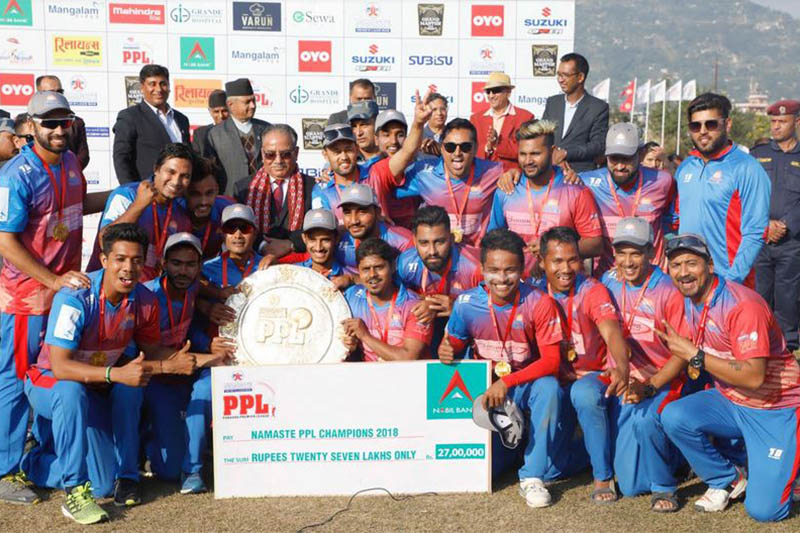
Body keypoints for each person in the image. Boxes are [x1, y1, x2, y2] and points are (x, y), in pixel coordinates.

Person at [22, 223, 199, 523]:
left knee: (102, 482)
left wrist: (205, 357)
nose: (128, 268)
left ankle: (126, 476)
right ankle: (69, 486)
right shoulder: (76, 296)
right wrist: (119, 375)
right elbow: (62, 366)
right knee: (74, 389)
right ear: (104, 260)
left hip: (96, 386)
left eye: (136, 260)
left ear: (145, 263)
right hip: (51, 382)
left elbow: (151, 351)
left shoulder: (144, 299)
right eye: (120, 259)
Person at [0, 91, 103, 506]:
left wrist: (129, 193)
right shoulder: (15, 175)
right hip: (25, 300)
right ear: (31, 127)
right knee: (14, 382)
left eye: (65, 122)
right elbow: (5, 242)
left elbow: (81, 205)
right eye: (50, 123)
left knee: (50, 378)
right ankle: (5, 470)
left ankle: (40, 463)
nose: (59, 130)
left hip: (60, 296)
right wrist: (52, 279)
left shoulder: (72, 163)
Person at [658, 233, 800, 521]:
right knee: (673, 415)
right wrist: (651, 384)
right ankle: (728, 478)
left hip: (775, 409)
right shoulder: (691, 297)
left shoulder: (742, 305)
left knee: (765, 511)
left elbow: (754, 377)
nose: (683, 272)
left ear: (710, 266)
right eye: (676, 265)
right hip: (731, 400)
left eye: (691, 263)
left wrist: (694, 355)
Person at [440, 228, 579, 508]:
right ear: (481, 269)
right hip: (488, 390)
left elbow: (552, 362)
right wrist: (447, 350)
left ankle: (532, 477)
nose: (502, 279)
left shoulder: (539, 303)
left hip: (524, 385)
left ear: (522, 269)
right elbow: (453, 344)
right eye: (494, 270)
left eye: (510, 270)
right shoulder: (466, 304)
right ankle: (510, 457)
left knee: (549, 387)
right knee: (491, 471)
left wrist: (507, 382)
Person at [533, 226, 629, 503]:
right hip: (556, 380)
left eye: (573, 259)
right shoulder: (534, 292)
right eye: (557, 261)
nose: (566, 268)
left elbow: (612, 332)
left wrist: (621, 366)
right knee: (551, 471)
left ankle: (603, 475)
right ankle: (594, 451)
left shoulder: (593, 290)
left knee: (583, 394)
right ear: (542, 262)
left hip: (591, 377)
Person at [600, 217, 689, 511]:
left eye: (636, 253)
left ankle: (665, 486)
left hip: (662, 379)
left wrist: (650, 386)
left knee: (644, 419)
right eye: (621, 252)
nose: (628, 261)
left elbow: (681, 354)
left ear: (652, 252)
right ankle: (676, 456)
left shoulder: (668, 290)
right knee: (630, 485)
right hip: (628, 378)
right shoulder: (609, 281)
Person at [141, 232, 235, 494]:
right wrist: (209, 356)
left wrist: (207, 342)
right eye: (176, 263)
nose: (183, 270)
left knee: (205, 390)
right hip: (157, 379)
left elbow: (187, 328)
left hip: (186, 377)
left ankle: (192, 468)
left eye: (190, 264)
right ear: (163, 264)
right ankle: (148, 441)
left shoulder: (193, 290)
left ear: (198, 268)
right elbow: (147, 351)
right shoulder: (147, 297)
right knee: (168, 471)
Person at [675, 93, 770, 285]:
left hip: (728, 282)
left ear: (727, 125)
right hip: (689, 282)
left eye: (710, 124)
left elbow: (756, 232)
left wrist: (732, 281)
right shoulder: (686, 166)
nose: (702, 131)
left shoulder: (747, 168)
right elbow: (676, 220)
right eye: (695, 126)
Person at [488, 119, 603, 276]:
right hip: (518, 289)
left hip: (561, 288)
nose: (528, 161)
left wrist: (552, 250)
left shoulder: (574, 189)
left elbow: (595, 244)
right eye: (523, 154)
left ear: (552, 151)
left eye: (535, 154)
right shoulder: (507, 189)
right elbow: (492, 240)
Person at [384, 118, 504, 248]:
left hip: (477, 254)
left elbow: (521, 177)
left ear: (475, 148)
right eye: (450, 147)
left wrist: (513, 173)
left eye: (465, 147)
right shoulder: (423, 173)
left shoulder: (493, 171)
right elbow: (386, 183)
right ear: (441, 148)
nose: (457, 153)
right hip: (439, 254)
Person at [580, 123, 678, 274]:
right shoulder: (586, 183)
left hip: (653, 279)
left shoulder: (663, 181)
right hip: (609, 279)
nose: (619, 166)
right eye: (613, 159)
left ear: (640, 154)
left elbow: (671, 221)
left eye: (626, 159)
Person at [95, 143, 193, 281]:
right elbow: (104, 240)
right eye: (170, 172)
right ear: (156, 169)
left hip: (150, 293)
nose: (176, 181)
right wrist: (138, 206)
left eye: (185, 176)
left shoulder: (181, 213)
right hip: (113, 288)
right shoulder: (127, 194)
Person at [396, 206, 482, 356]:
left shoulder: (474, 267)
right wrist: (423, 302)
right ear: (414, 241)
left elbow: (493, 314)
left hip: (467, 332)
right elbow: (396, 302)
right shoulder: (405, 263)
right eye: (424, 243)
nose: (432, 251)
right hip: (428, 326)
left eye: (439, 242)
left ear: (452, 238)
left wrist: (458, 308)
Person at [752, 99, 800, 352]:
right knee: (759, 296)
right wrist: (765, 224)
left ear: (797, 122)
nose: (776, 127)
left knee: (788, 298)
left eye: (782, 121)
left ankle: (787, 349)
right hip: (760, 240)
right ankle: (759, 347)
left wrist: (786, 225)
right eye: (773, 122)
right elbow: (747, 196)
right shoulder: (758, 156)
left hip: (791, 242)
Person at [342, 238, 433, 361]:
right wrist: (348, 346)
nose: (372, 274)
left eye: (379, 267)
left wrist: (365, 336)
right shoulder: (351, 297)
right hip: (365, 378)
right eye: (366, 269)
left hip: (407, 378)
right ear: (358, 270)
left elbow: (408, 358)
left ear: (392, 266)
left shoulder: (414, 306)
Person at [191, 204, 263, 353]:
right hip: (224, 348)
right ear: (222, 233)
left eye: (245, 228)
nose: (237, 235)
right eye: (230, 229)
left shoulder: (268, 267)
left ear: (255, 233)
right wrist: (204, 306)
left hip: (260, 345)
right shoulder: (205, 269)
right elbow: (186, 301)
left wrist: (273, 257)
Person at [244, 124, 316, 260]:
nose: (278, 161)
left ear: (296, 153)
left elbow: (318, 230)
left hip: (299, 264)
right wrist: (263, 245)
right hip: (255, 263)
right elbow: (238, 228)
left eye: (285, 154)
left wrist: (291, 244)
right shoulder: (244, 188)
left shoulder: (312, 187)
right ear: (262, 153)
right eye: (270, 154)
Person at [112, 65, 190, 184]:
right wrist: (130, 190)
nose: (158, 89)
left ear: (169, 86)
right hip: (149, 192)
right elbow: (121, 158)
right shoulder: (130, 116)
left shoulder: (181, 119)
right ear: (142, 87)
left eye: (163, 83)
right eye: (152, 84)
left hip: (180, 191)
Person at [541, 53, 609, 172]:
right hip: (549, 173)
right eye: (559, 75)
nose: (560, 80)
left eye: (566, 75)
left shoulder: (598, 108)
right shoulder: (553, 103)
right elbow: (542, 135)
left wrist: (566, 153)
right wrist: (553, 155)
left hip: (580, 175)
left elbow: (598, 145)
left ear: (580, 77)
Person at [204, 78, 270, 197]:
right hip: (230, 200)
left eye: (254, 101)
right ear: (230, 104)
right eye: (247, 102)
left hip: (264, 199)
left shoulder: (267, 129)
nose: (253, 105)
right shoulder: (215, 135)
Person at [335, 183, 414, 274]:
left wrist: (353, 280)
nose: (354, 221)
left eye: (362, 212)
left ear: (378, 213)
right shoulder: (339, 240)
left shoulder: (404, 242)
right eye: (347, 212)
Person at [470, 72, 534, 171]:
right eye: (488, 91)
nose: (491, 95)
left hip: (511, 178)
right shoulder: (476, 119)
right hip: (482, 177)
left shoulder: (525, 117)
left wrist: (497, 143)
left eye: (496, 90)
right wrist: (488, 147)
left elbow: (526, 151)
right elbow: (471, 150)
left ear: (508, 92)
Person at [181, 157, 233, 260]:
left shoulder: (227, 209)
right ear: (184, 192)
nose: (203, 202)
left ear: (217, 190)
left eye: (209, 193)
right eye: (195, 194)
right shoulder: (173, 214)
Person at [36, 76, 90, 170]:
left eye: (60, 92)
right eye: (52, 92)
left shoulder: (77, 122)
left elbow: (83, 154)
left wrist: (70, 171)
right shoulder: (29, 121)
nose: (59, 131)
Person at [292, 209, 349, 289]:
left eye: (325, 239)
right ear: (304, 238)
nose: (318, 247)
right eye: (312, 239)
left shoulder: (345, 278)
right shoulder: (292, 272)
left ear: (336, 238)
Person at [191, 89, 228, 156]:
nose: (221, 116)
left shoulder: (238, 132)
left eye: (224, 111)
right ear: (210, 111)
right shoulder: (200, 134)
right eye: (216, 112)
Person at [348, 100, 381, 166]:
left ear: (377, 124)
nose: (358, 133)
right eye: (354, 126)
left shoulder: (391, 156)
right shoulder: (345, 162)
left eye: (364, 125)